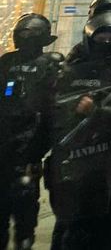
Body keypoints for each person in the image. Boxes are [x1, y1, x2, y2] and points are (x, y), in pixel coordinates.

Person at [46, 10, 111, 250]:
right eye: (101, 37)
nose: (106, 43)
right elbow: (54, 109)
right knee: (67, 225)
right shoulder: (72, 67)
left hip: (107, 157)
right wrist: (77, 109)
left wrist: (106, 110)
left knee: (100, 223)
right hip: (72, 156)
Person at [0, 13, 60, 250]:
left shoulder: (51, 65)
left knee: (25, 208)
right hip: (5, 143)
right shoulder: (7, 62)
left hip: (29, 146)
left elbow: (52, 109)